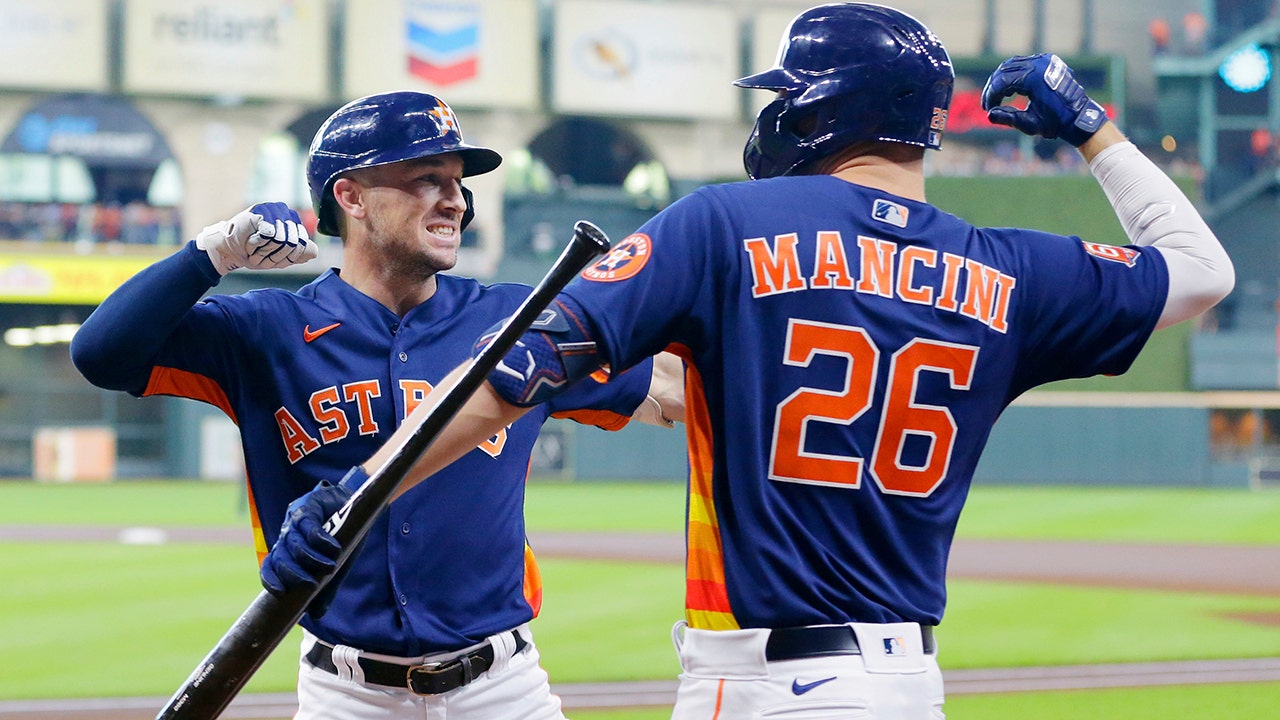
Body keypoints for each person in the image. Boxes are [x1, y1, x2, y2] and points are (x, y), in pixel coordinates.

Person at [277, 4, 1235, 718]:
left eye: (785, 96)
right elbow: (1201, 273)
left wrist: (356, 490)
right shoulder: (1008, 265)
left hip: (767, 679)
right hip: (908, 681)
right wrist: (1089, 127)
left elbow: (515, 376)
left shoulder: (725, 225)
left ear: (821, 109)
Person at [70, 91, 682, 720]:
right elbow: (101, 353)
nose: (456, 200)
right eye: (425, 179)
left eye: (457, 183)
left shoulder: (515, 319)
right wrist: (215, 253)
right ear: (352, 196)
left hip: (503, 691)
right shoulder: (265, 330)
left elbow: (669, 390)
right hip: (347, 696)